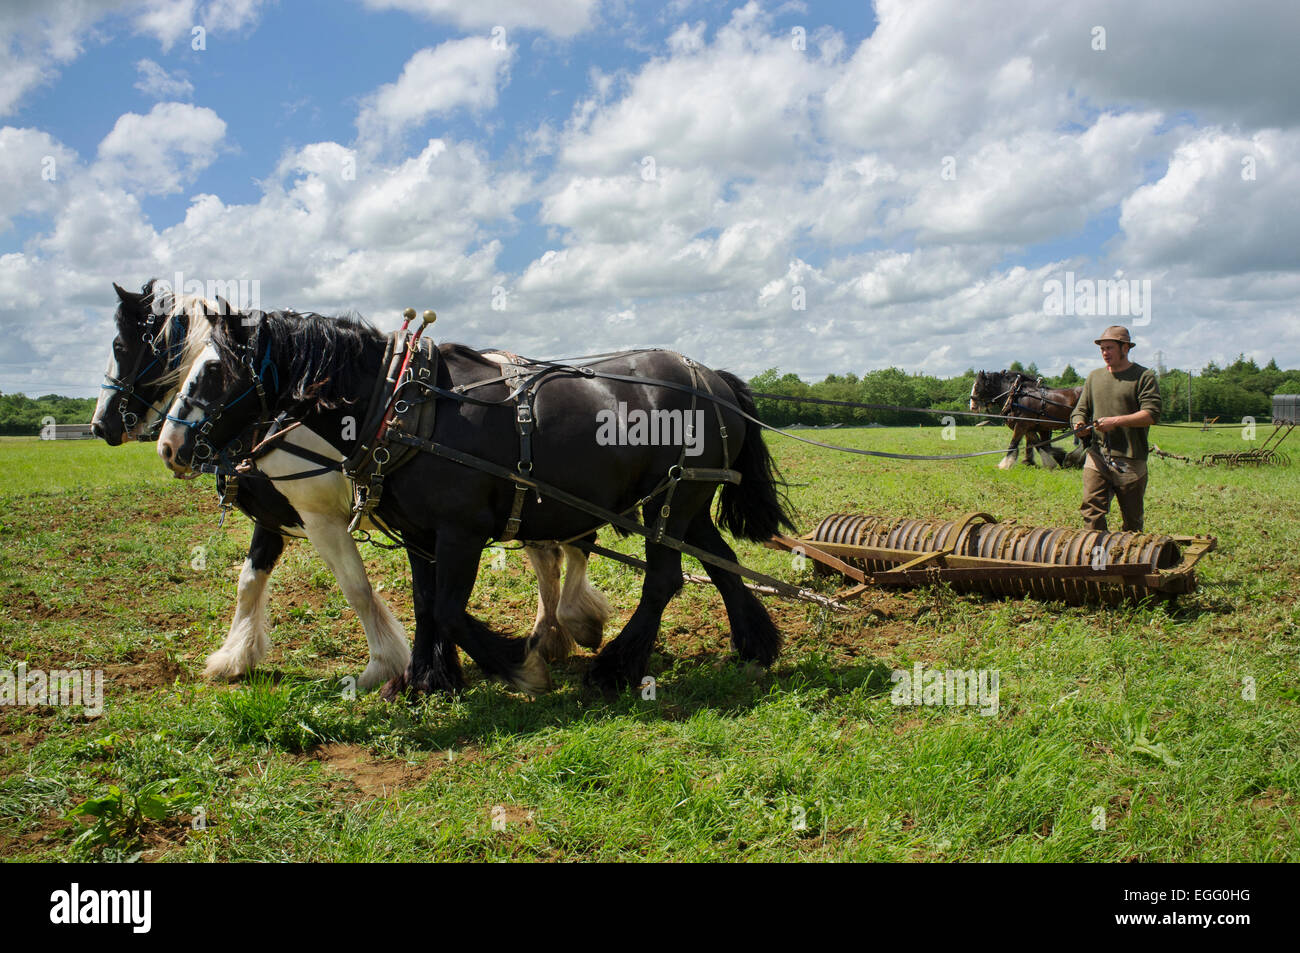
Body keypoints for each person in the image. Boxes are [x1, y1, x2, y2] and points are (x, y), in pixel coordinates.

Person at [1069, 326, 1162, 532]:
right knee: (1091, 510)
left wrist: (1115, 421)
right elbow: (1080, 410)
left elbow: (1151, 414)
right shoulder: (1094, 377)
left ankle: (1129, 558)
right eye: (1102, 349)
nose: (1105, 353)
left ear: (1125, 348)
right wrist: (1078, 425)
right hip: (1097, 455)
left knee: (1132, 519)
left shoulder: (1143, 376)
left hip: (1130, 458)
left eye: (1110, 348)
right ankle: (1094, 556)